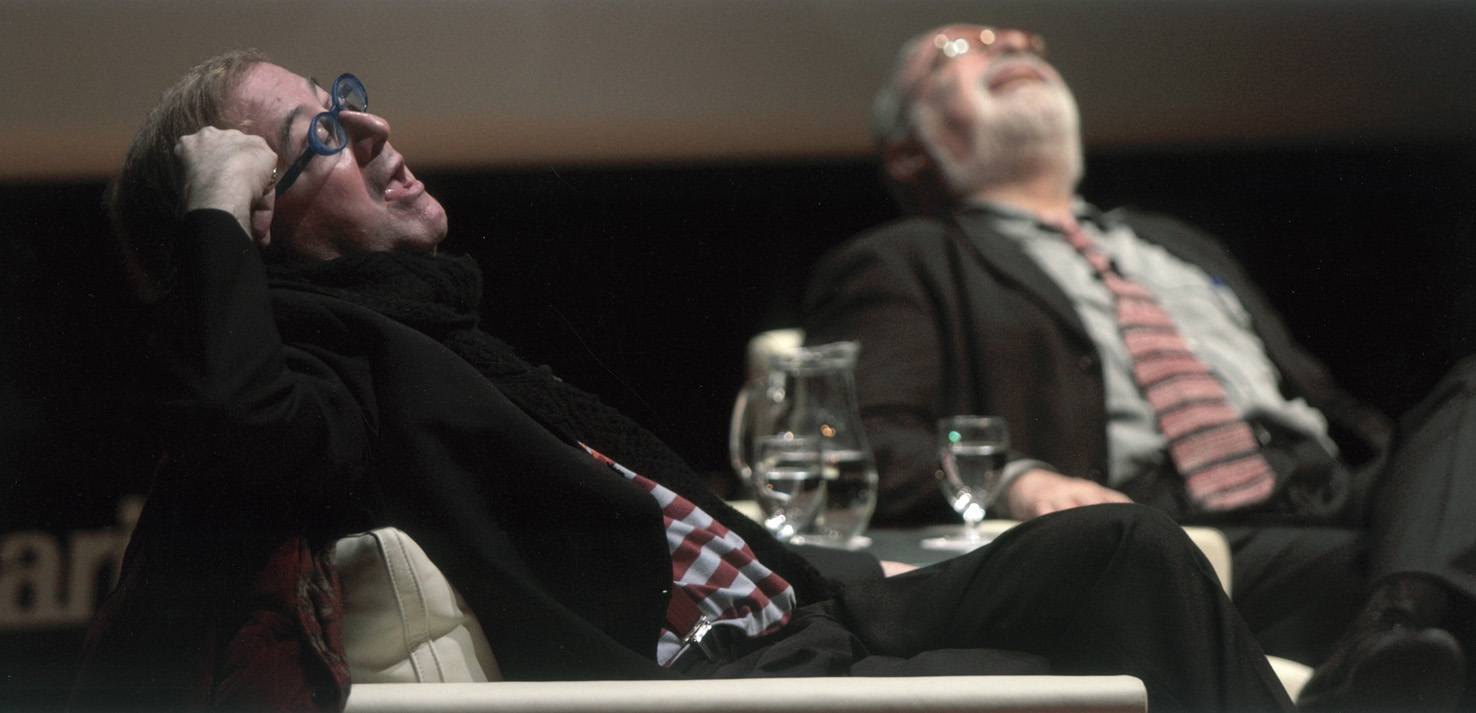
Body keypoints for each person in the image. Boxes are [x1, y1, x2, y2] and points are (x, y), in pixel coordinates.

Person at [68, 50, 1293, 713]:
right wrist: (210, 213)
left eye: (346, 100)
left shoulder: (434, 325)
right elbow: (241, 424)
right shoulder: (326, 359)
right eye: (321, 138)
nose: (376, 128)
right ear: (255, 226)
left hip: (820, 607)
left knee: (1125, 548)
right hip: (734, 674)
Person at [802, 23, 1476, 712]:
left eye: (1022, 40)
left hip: (1330, 491)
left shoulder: (1177, 243)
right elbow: (865, 435)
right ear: (909, 152)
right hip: (1179, 526)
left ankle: (1395, 623)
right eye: (960, 47)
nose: (1011, 45)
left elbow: (1318, 397)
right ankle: (1401, 618)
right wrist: (1022, 480)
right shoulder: (906, 258)